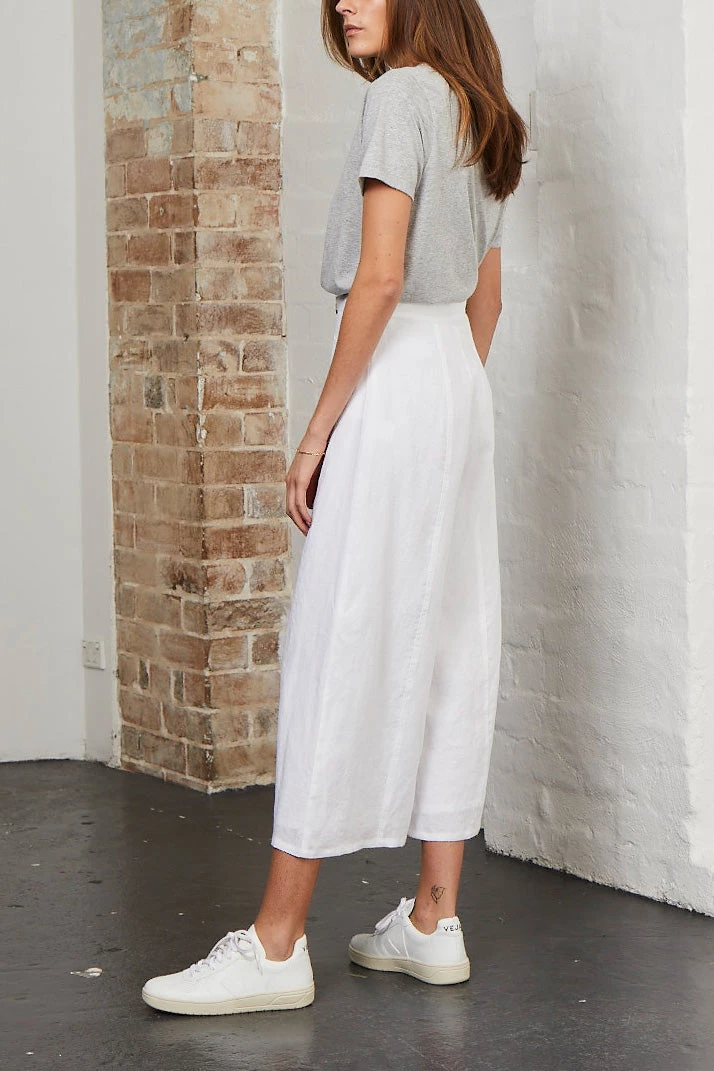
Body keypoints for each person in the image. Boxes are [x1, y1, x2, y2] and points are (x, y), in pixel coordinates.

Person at [142, 0, 527, 1016]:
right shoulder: (481, 107)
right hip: (457, 383)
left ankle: (277, 944)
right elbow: (488, 299)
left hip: (395, 377)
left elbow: (382, 275)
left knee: (334, 635)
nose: (345, 2)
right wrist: (448, 407)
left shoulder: (400, 98)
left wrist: (320, 432)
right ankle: (433, 921)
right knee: (454, 639)